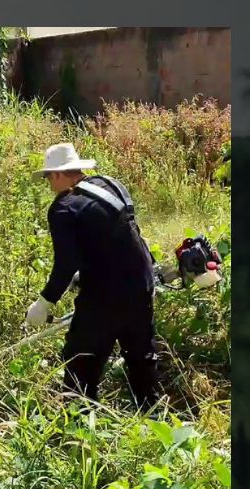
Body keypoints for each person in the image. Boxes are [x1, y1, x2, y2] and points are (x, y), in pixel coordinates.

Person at [25, 143, 159, 410]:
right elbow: (122, 235)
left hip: (104, 297)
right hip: (142, 283)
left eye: (49, 176)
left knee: (81, 364)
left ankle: (80, 428)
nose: (49, 183)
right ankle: (153, 418)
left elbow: (65, 263)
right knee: (141, 357)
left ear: (58, 175)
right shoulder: (110, 184)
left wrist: (44, 303)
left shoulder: (63, 208)